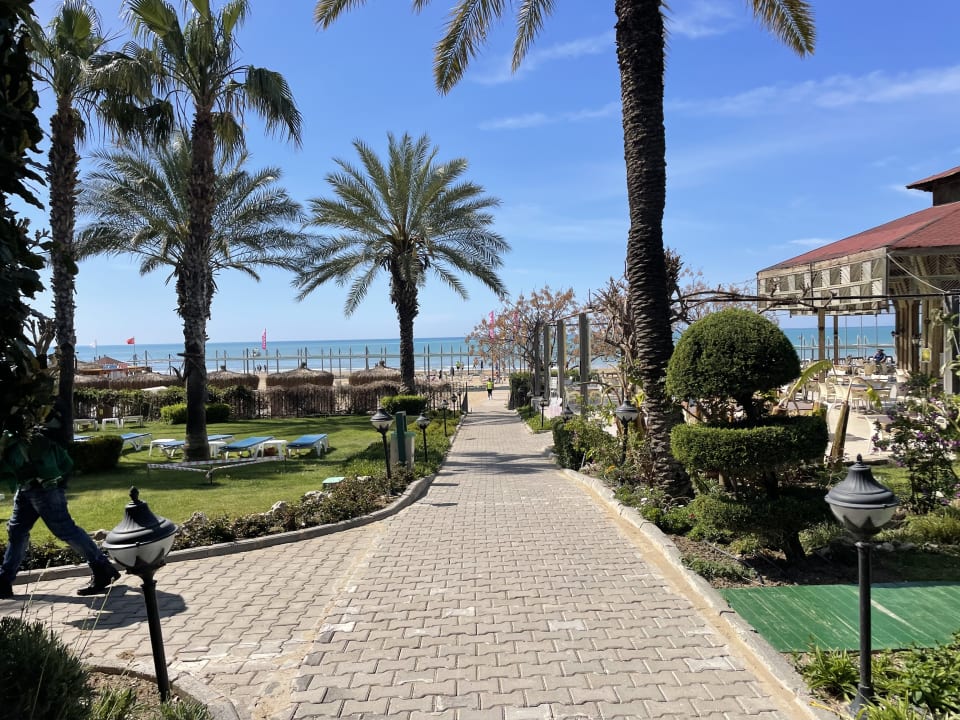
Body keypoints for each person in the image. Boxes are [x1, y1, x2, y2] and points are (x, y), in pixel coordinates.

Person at [0, 413, 120, 600]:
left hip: (43, 488)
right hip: (27, 488)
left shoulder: (24, 439)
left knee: (65, 530)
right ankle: (4, 581)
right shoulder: (20, 436)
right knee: (17, 532)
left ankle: (102, 567)